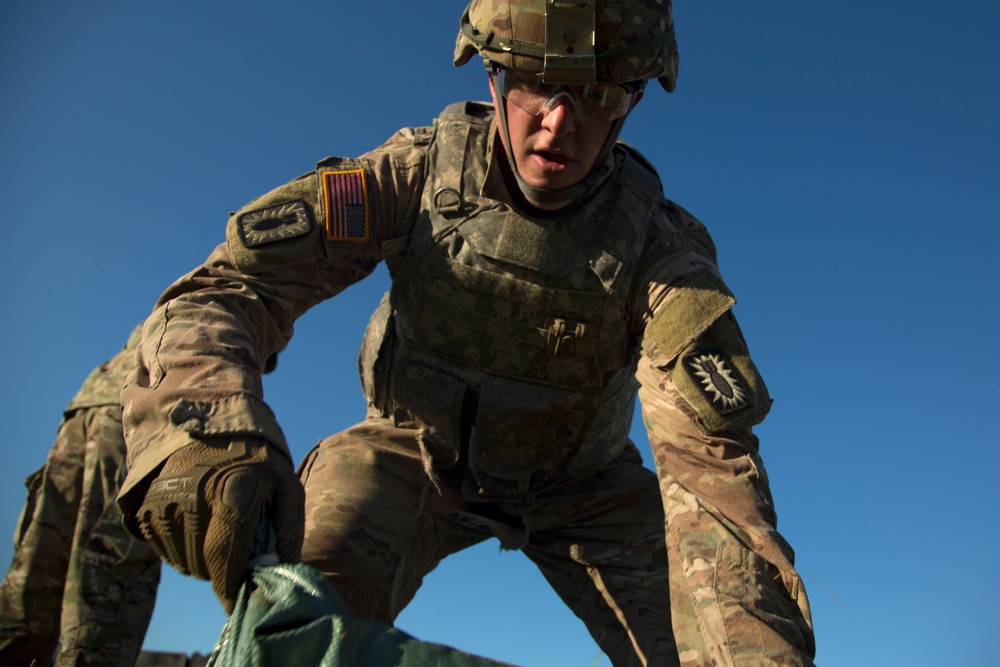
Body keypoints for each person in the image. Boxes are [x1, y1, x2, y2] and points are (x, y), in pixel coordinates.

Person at [117, 1, 816, 665]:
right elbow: (232, 286)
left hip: (586, 490)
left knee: (723, 637)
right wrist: (204, 425)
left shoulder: (660, 252)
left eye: (597, 94)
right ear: (494, 73)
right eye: (535, 83)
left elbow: (713, 473)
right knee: (293, 626)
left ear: (631, 101)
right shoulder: (413, 176)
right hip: (408, 451)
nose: (557, 122)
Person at [0, 326, 162, 667]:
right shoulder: (244, 297)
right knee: (104, 601)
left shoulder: (179, 294)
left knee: (31, 586)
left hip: (90, 406)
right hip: (134, 421)